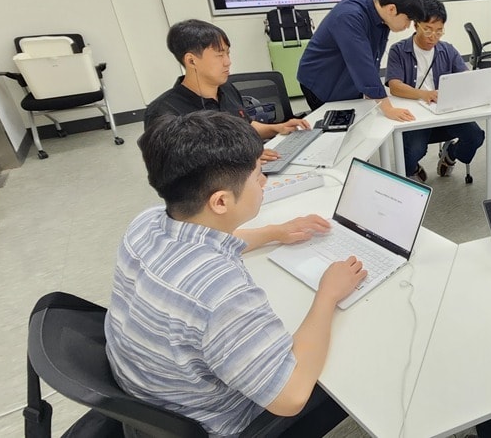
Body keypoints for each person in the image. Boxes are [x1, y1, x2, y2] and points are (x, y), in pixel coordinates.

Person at [105, 111, 366, 436]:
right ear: (220, 201)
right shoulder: (219, 291)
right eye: (257, 176)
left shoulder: (147, 221)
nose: (264, 182)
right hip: (218, 420)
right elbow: (290, 397)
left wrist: (274, 232)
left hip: (153, 397)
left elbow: (206, 242)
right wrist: (327, 294)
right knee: (347, 369)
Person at [144, 19, 310, 163]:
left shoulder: (227, 89)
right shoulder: (164, 112)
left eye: (228, 54)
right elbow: (182, 168)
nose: (228, 62)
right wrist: (243, 161)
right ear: (191, 60)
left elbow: (246, 126)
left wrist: (277, 128)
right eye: (219, 55)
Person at [385, 0, 485, 182]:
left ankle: (450, 154)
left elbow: (465, 78)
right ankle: (413, 166)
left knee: (475, 136)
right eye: (428, 29)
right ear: (416, 25)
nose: (433, 36)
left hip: (445, 114)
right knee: (412, 152)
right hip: (415, 117)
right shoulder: (398, 50)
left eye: (439, 31)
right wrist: (425, 94)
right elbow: (395, 86)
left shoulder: (447, 50)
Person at [297, 0, 425, 121]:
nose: (408, 26)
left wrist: (373, 93)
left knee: (360, 120)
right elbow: (362, 65)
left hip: (347, 77)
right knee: (336, 128)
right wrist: (388, 108)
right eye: (408, 20)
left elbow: (374, 56)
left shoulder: (380, 8)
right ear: (392, 9)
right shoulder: (350, 16)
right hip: (322, 80)